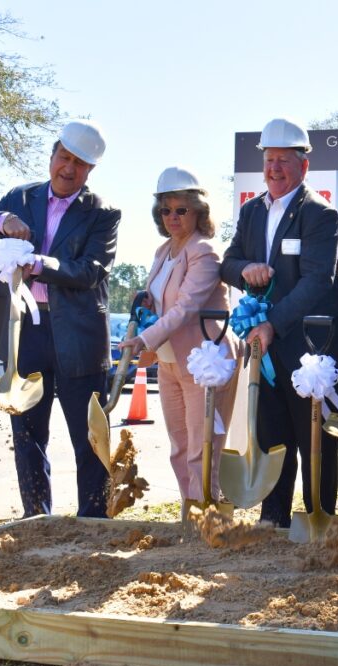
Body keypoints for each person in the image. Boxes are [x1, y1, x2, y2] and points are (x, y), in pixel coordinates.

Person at [0, 120, 118, 518]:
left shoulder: (103, 214)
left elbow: (90, 271)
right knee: (27, 433)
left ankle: (94, 522)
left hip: (79, 336)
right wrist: (0, 222)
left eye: (80, 164)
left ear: (90, 171)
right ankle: (36, 518)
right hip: (23, 332)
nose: (69, 169)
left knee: (89, 437)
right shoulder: (20, 197)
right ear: (53, 154)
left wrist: (38, 263)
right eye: (64, 157)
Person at [220, 118, 338, 527]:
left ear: (304, 166)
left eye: (283, 160)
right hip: (269, 352)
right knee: (271, 440)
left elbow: (318, 280)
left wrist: (273, 323)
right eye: (269, 160)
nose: (274, 168)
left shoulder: (319, 213)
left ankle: (318, 522)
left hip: (314, 349)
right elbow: (227, 265)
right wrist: (248, 269)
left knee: (316, 443)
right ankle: (273, 522)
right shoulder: (251, 211)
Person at [118, 167, 239, 505]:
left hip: (204, 364)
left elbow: (186, 308)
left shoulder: (204, 251)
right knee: (180, 447)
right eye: (165, 210)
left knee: (204, 447)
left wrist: (144, 339)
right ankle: (191, 515)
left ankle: (209, 517)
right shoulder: (163, 251)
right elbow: (162, 301)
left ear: (199, 210)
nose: (172, 217)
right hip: (170, 363)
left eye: (181, 209)